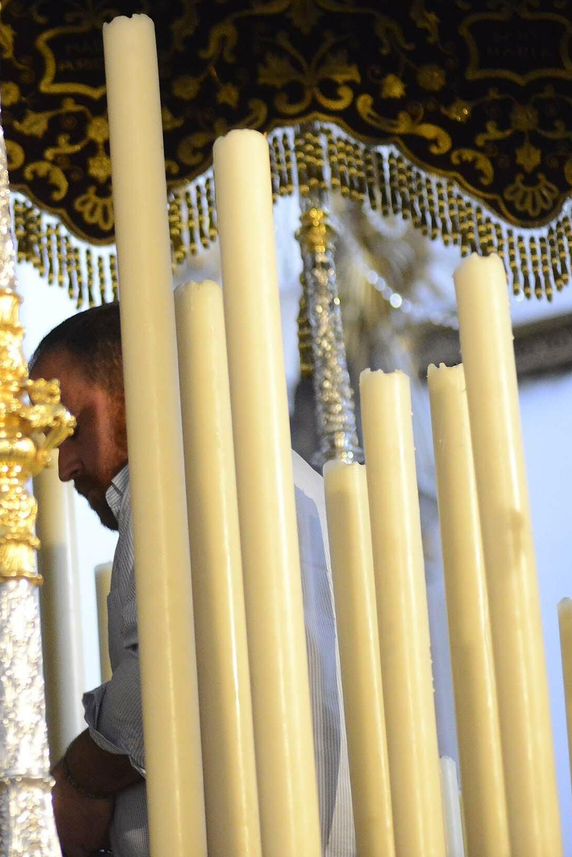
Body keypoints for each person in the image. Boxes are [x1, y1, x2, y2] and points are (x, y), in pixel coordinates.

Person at [30, 302, 354, 857]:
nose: (62, 467)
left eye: (71, 428)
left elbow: (169, 687)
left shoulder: (171, 483)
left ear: (135, 389)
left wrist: (77, 782)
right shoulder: (300, 482)